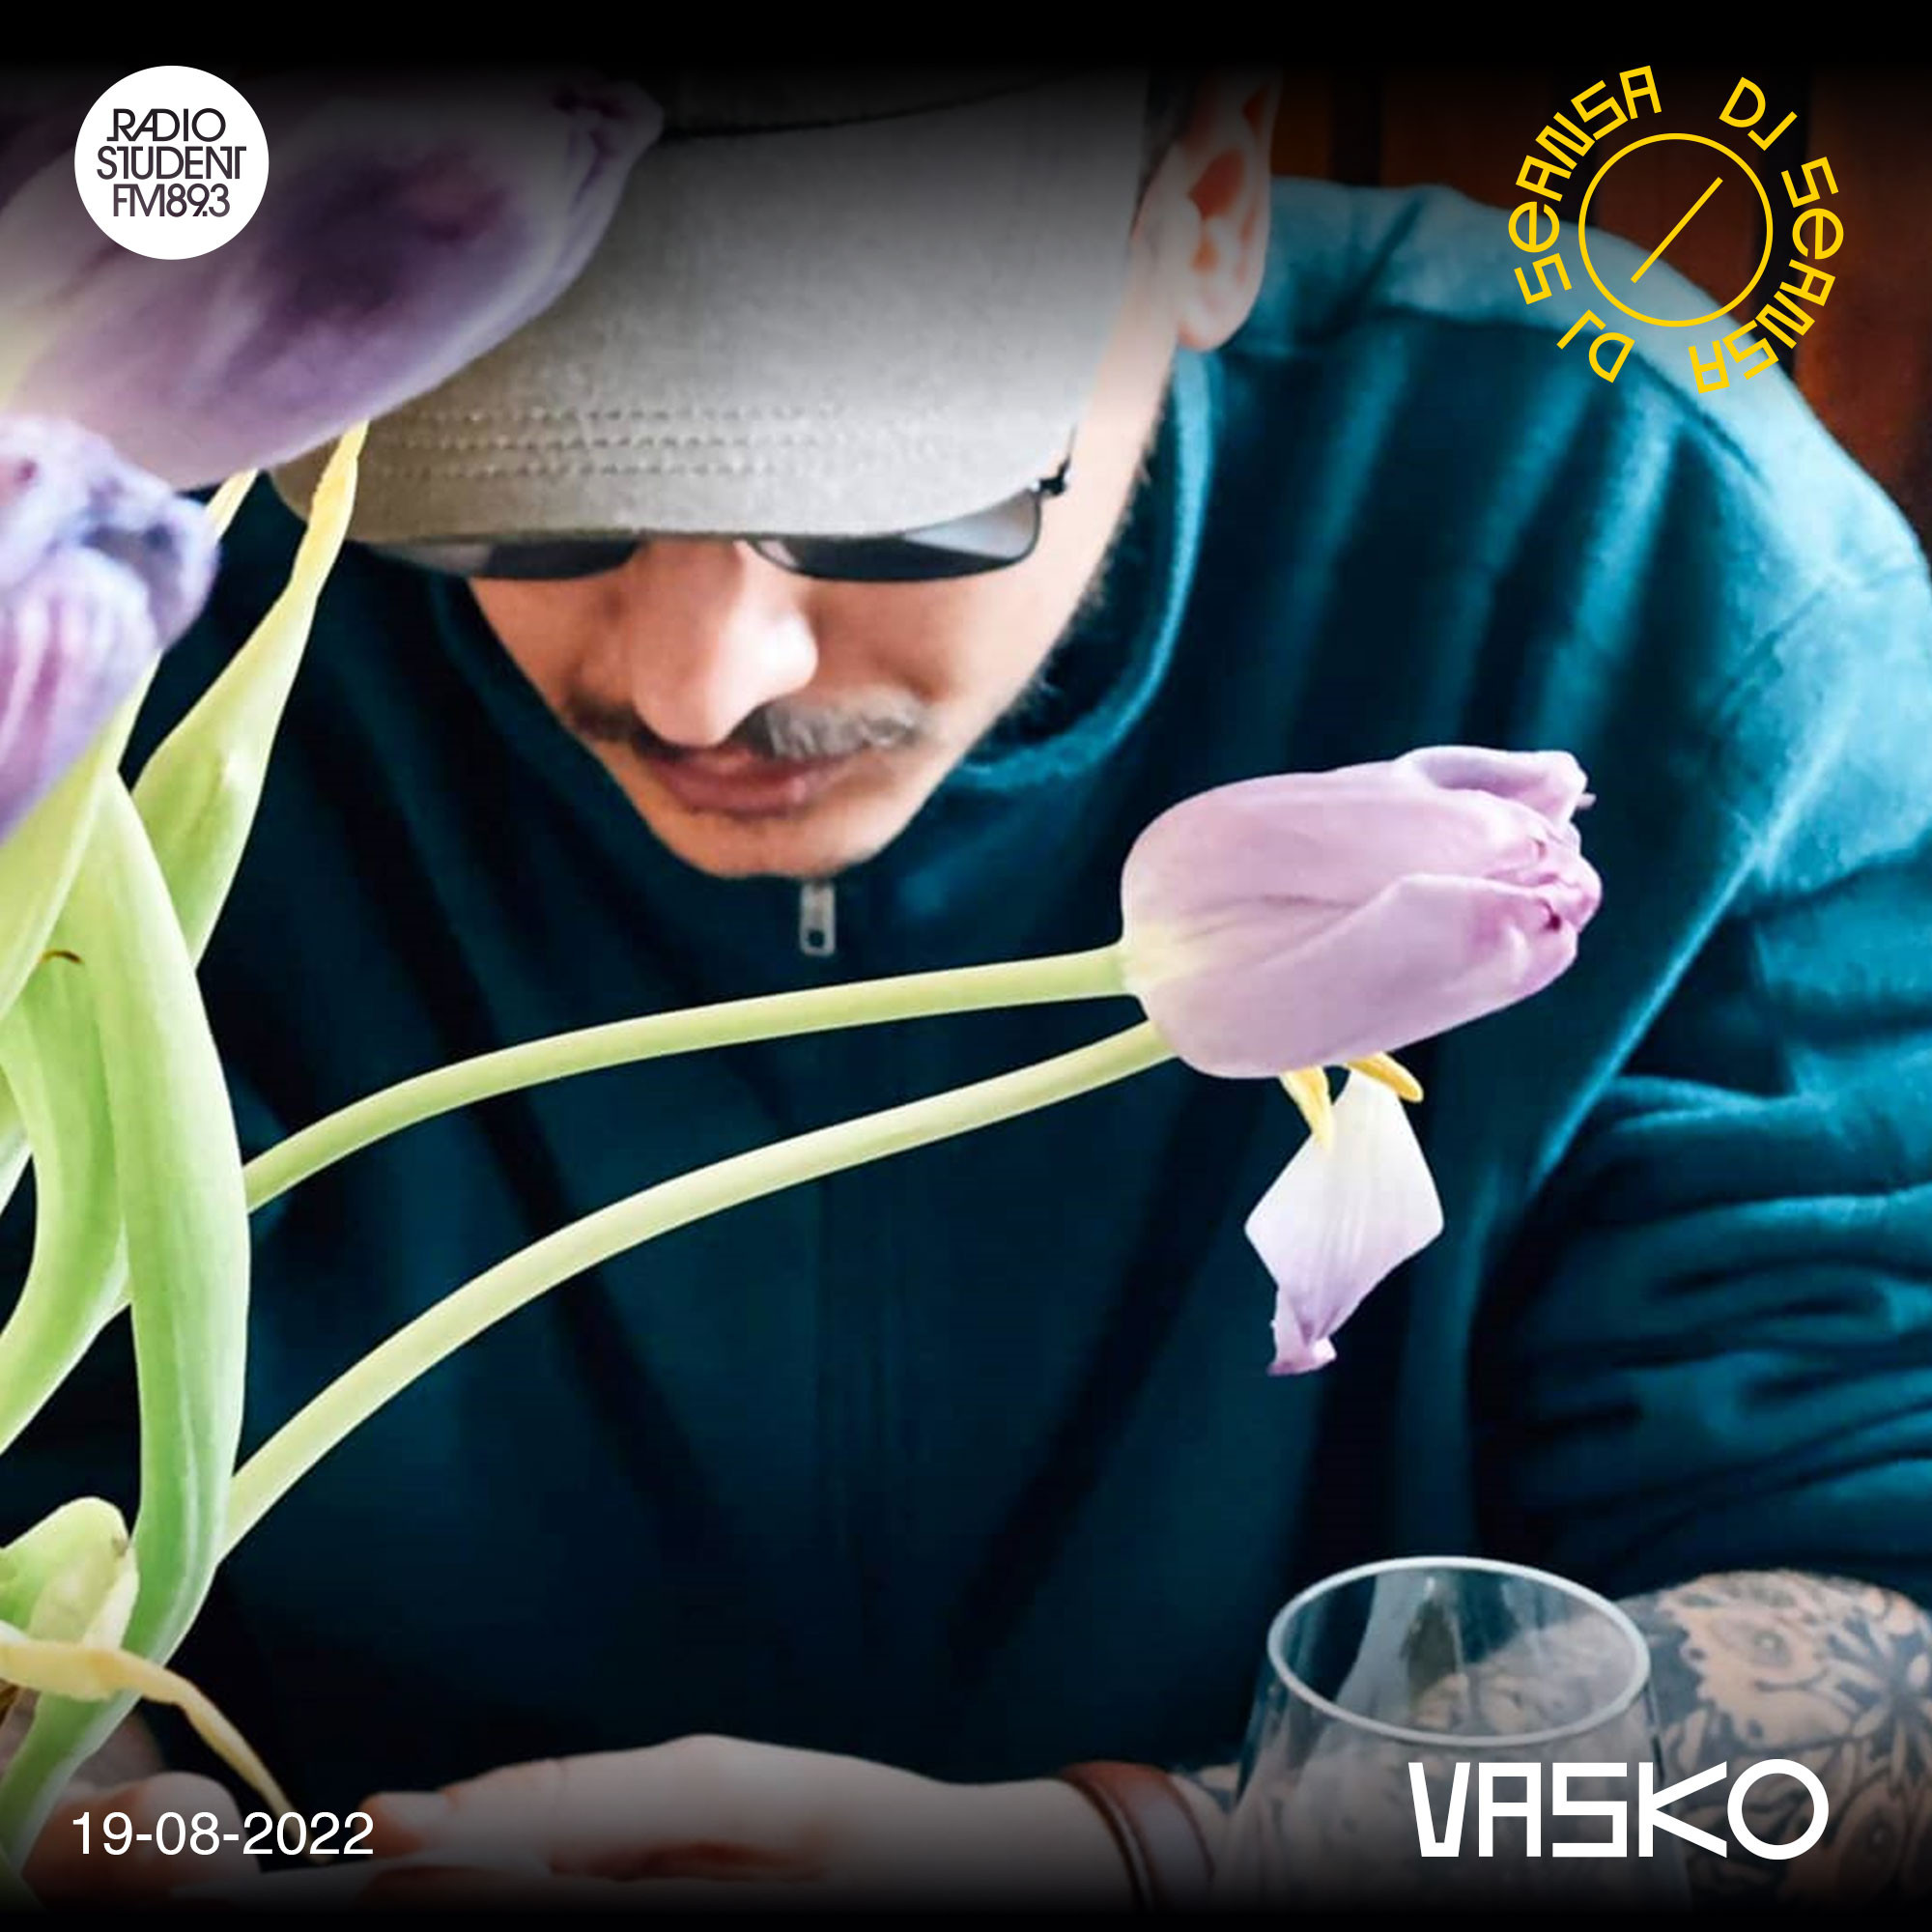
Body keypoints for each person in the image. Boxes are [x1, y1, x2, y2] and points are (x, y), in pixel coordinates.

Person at [8, 65, 1932, 1907]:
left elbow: (1889, 1617)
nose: (701, 678)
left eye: (893, 500)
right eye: (516, 497)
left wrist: (1170, 1861)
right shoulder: (104, 560)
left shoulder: (1655, 547)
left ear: (1204, 194)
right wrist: (91, 1811)